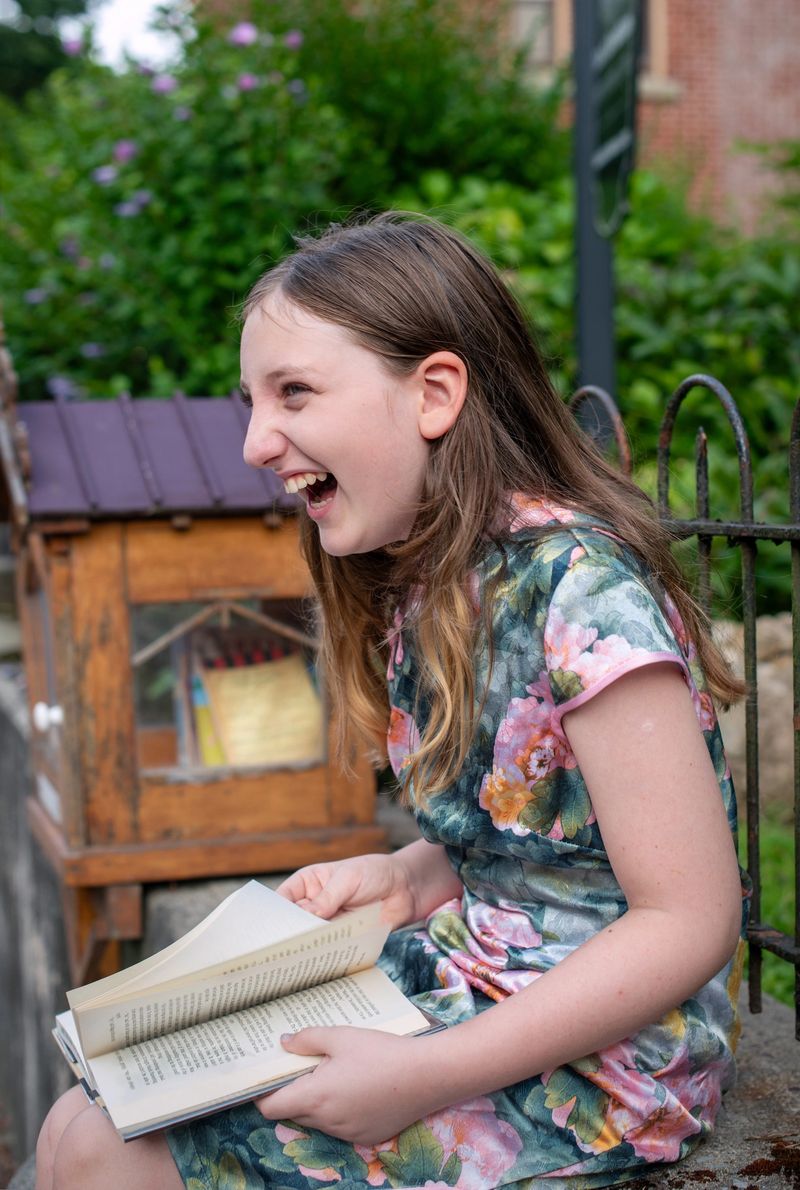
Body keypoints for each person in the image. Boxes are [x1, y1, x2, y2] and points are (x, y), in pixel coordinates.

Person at [36, 213, 749, 1190]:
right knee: (88, 1109)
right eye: (251, 400)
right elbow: (538, 843)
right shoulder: (426, 580)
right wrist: (408, 878)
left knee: (95, 1153)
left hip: (599, 1066)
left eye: (292, 392)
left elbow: (687, 916)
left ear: (434, 393)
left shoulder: (579, 587)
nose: (252, 440)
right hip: (472, 985)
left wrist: (420, 1075)